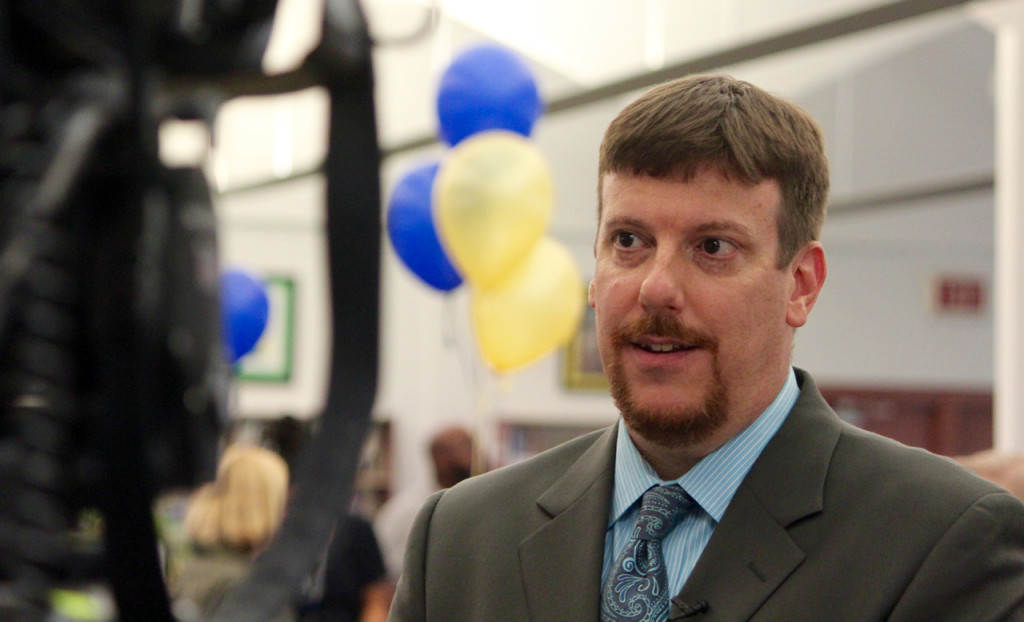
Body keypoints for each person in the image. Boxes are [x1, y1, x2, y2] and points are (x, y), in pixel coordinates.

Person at [387, 73, 1024, 622]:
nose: (656, 287)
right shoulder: (460, 541)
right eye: (629, 241)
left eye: (712, 247)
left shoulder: (938, 539)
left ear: (800, 285)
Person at [168, 443, 295, 622]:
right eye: (281, 501)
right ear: (263, 507)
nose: (285, 513)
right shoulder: (248, 586)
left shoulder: (193, 571)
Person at [373, 425, 473, 581]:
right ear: (439, 457)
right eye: (467, 447)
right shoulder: (405, 511)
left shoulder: (477, 503)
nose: (475, 456)